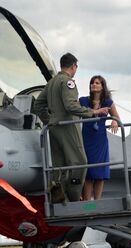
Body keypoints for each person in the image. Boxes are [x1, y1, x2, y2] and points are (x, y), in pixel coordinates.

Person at [33, 52, 110, 202]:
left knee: (59, 166)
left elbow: (38, 104)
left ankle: (60, 198)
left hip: (54, 127)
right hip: (67, 127)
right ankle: (74, 198)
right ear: (73, 66)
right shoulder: (68, 82)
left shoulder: (51, 82)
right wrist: (93, 112)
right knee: (80, 162)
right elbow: (70, 106)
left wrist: (49, 120)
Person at [79, 75, 120, 200]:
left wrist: (114, 122)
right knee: (88, 172)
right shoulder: (83, 101)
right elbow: (73, 110)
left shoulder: (108, 102)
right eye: (92, 83)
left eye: (97, 83)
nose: (94, 85)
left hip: (100, 140)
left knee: (99, 172)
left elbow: (116, 117)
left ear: (102, 86)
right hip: (86, 139)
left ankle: (97, 202)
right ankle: (87, 203)